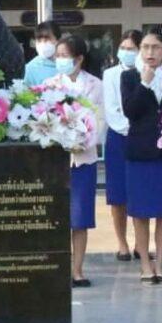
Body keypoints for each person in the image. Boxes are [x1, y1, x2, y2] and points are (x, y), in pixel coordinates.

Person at [121, 28, 162, 285]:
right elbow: (130, 111)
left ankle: (160, 264)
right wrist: (144, 83)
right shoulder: (129, 77)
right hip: (139, 152)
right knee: (140, 212)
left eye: (156, 47)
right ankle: (145, 265)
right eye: (145, 47)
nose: (150, 52)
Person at [47, 35, 103, 287]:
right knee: (56, 218)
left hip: (83, 158)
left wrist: (85, 140)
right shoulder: (50, 85)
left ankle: (77, 270)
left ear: (79, 59)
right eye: (57, 56)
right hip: (55, 161)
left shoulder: (95, 84)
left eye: (65, 56)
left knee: (80, 219)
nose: (60, 60)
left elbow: (100, 119)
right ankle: (57, 269)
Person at [102, 30, 142, 261]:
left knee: (140, 193)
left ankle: (141, 243)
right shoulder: (110, 75)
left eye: (131, 49)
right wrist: (131, 127)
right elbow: (111, 110)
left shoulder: (148, 73)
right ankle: (122, 243)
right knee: (118, 195)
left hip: (142, 138)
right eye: (123, 48)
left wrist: (140, 129)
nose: (126, 52)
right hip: (118, 137)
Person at [23, 20, 61, 87]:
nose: (43, 44)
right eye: (39, 41)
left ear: (58, 40)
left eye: (47, 40)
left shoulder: (67, 65)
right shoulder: (30, 69)